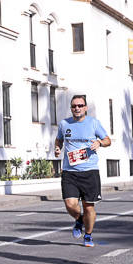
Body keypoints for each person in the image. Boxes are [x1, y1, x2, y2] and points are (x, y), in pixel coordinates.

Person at [53, 94, 112, 247]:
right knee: (70, 204)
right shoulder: (64, 124)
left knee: (88, 206)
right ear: (71, 108)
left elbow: (108, 140)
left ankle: (88, 235)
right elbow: (59, 139)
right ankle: (79, 220)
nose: (77, 108)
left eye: (80, 105)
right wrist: (57, 147)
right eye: (74, 106)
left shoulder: (93, 123)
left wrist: (99, 143)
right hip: (69, 171)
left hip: (89, 171)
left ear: (85, 108)